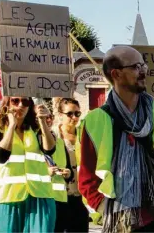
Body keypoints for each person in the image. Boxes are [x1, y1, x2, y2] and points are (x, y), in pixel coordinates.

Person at [78, 45, 154, 232]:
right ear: (116, 74)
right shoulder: (95, 120)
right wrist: (107, 210)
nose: (144, 71)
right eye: (136, 66)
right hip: (118, 217)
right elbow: (86, 178)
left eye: (143, 65)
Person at [0, 97, 57, 232]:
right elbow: (0, 157)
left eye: (25, 102)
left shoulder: (35, 128)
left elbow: (49, 150)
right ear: (7, 104)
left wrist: (43, 121)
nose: (21, 105)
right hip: (7, 197)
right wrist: (11, 126)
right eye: (15, 101)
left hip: (40, 195)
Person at [50, 98, 89, 232]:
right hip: (58, 198)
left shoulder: (83, 135)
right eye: (70, 114)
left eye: (77, 114)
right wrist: (50, 170)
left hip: (79, 196)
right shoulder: (52, 135)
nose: (74, 117)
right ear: (60, 115)